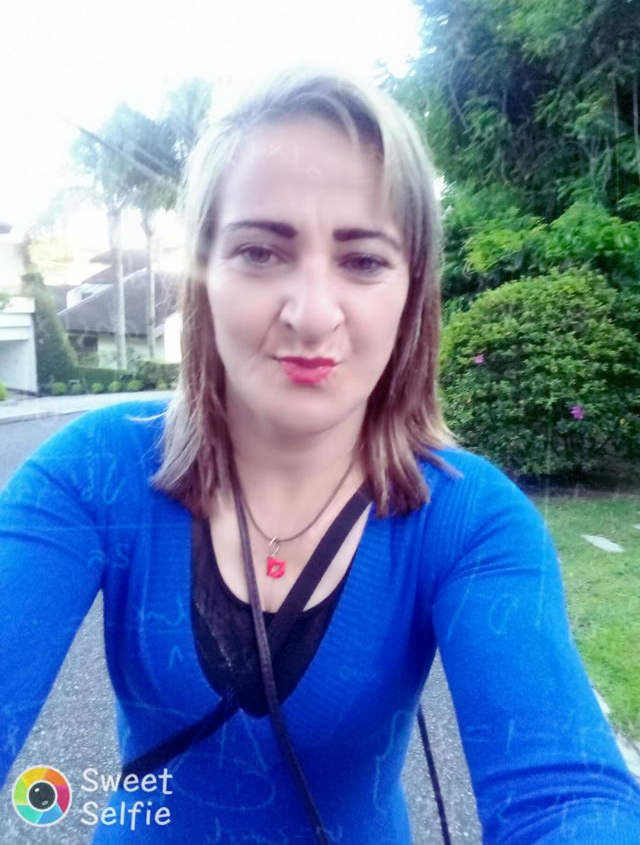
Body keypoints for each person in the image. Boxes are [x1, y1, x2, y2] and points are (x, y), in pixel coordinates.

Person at [1, 69, 639, 845]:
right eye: (260, 251)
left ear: (412, 291)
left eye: (363, 261)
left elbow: (567, 797)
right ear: (204, 275)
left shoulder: (472, 520)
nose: (310, 314)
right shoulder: (93, 473)